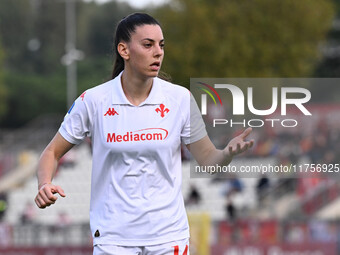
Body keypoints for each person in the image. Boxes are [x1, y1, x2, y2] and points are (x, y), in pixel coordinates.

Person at [34, 13, 253, 255]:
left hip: (168, 237)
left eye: (161, 45)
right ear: (124, 50)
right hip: (112, 238)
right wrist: (45, 183)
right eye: (148, 45)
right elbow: (51, 152)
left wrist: (227, 154)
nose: (158, 52)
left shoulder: (180, 99)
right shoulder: (94, 101)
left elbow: (209, 162)